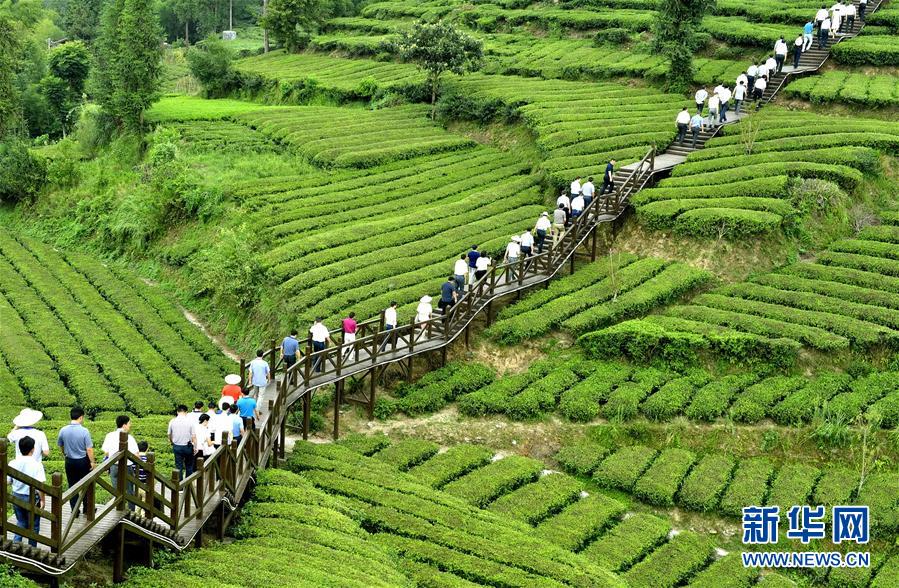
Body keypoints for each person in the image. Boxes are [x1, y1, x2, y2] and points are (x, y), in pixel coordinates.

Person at [7, 437, 45, 547]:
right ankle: (32, 548)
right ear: (32, 449)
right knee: (34, 525)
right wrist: (42, 500)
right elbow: (40, 485)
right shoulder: (37, 464)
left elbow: (8, 481)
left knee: (21, 522)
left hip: (16, 496)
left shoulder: (13, 463)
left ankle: (15, 545)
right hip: (31, 497)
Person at [57, 407, 94, 515]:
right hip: (82, 461)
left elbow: (61, 445)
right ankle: (87, 509)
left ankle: (74, 510)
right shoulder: (84, 431)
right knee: (86, 484)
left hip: (69, 461)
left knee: (72, 485)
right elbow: (89, 449)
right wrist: (92, 461)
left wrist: (65, 453)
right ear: (81, 417)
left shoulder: (63, 430)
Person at [101, 415, 139, 509]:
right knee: (129, 490)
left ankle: (118, 509)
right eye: (129, 423)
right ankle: (131, 510)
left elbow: (106, 452)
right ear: (124, 425)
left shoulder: (109, 435)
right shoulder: (130, 438)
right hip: (127, 466)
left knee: (116, 490)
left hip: (114, 466)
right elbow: (137, 455)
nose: (130, 425)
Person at [168, 405, 194, 479]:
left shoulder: (172, 421)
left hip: (177, 446)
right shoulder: (190, 421)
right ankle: (188, 484)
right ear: (186, 412)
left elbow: (169, 434)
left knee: (179, 466)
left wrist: (171, 441)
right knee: (189, 465)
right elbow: (194, 436)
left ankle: (180, 485)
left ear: (177, 411)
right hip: (188, 446)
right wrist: (195, 447)